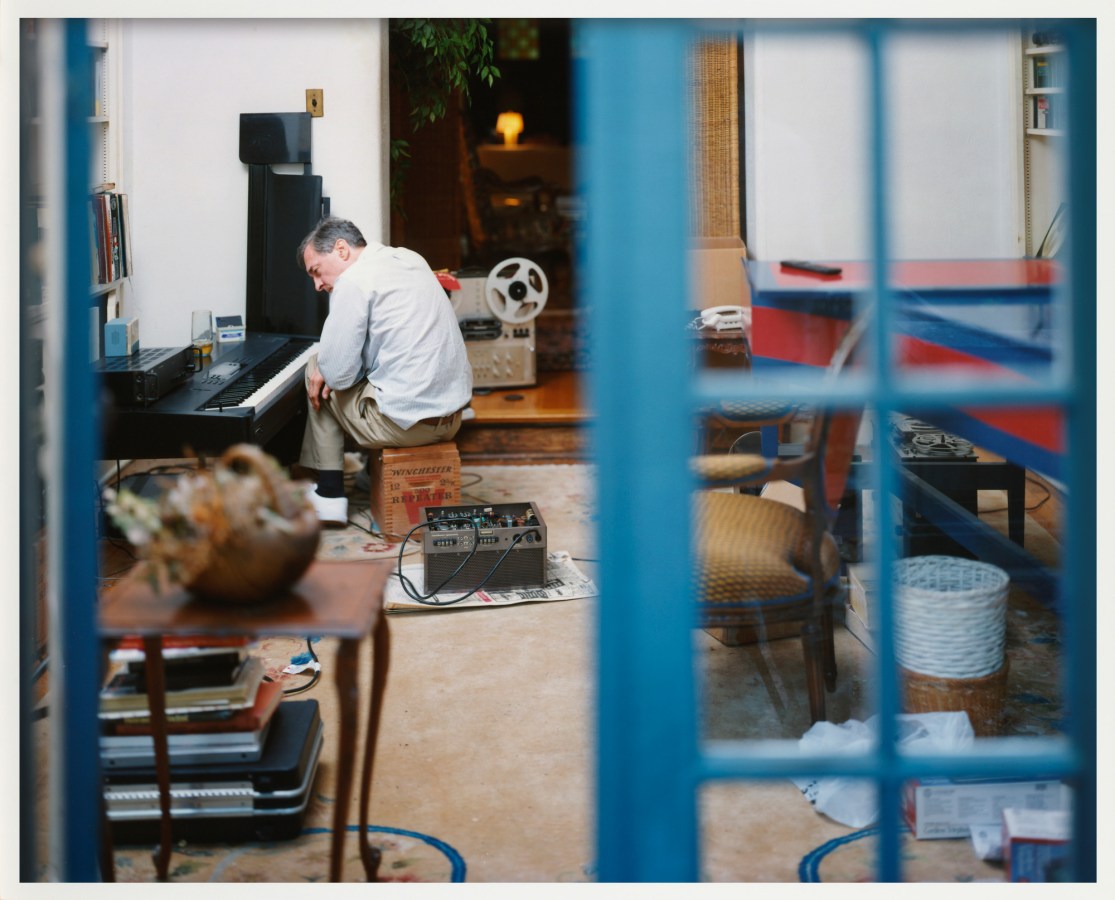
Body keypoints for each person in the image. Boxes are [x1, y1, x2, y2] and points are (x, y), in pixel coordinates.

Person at [295, 217, 472, 525]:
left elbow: (338, 375)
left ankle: (329, 493)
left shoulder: (353, 281)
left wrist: (327, 364)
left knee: (318, 365)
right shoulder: (410, 258)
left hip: (407, 427)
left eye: (316, 271)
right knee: (374, 374)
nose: (317, 284)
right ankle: (368, 476)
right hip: (453, 419)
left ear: (341, 249)